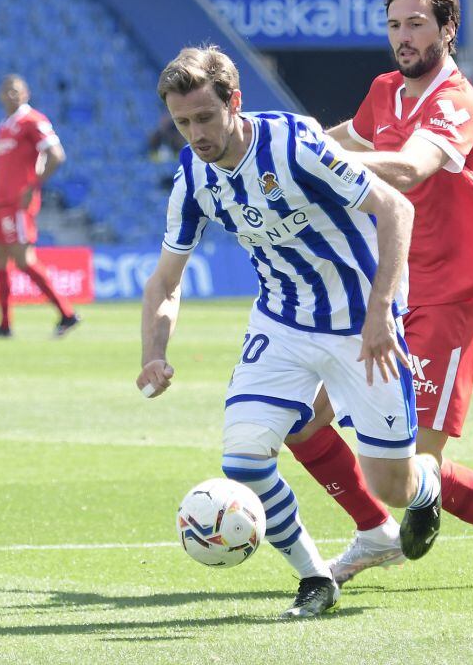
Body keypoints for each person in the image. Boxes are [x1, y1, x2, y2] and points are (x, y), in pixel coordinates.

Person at [137, 45, 444, 618]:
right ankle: (313, 578)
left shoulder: (294, 144)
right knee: (245, 459)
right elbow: (164, 282)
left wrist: (381, 312)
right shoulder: (192, 176)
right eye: (182, 123)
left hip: (359, 321)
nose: (196, 133)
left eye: (205, 117)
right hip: (281, 322)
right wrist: (154, 353)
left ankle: (426, 484)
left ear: (235, 102)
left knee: (391, 487)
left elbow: (396, 208)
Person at [285, 0, 473, 589]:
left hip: (445, 297)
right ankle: (374, 534)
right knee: (301, 420)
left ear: (446, 28)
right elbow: (345, 139)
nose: (404, 36)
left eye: (416, 23)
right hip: (386, 290)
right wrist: (282, 152)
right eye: (394, 26)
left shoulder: (456, 101)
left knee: (412, 468)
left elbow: (409, 171)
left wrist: (314, 160)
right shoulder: (384, 90)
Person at [0, 75, 79, 339]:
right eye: (7, 91)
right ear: (0, 96)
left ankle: (67, 314)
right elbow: (2, 172)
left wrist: (33, 186)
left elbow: (56, 155)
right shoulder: (3, 127)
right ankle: (4, 324)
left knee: (23, 260)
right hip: (1, 205)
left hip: (18, 204)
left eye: (16, 90)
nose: (11, 95)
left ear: (26, 94)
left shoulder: (33, 120)